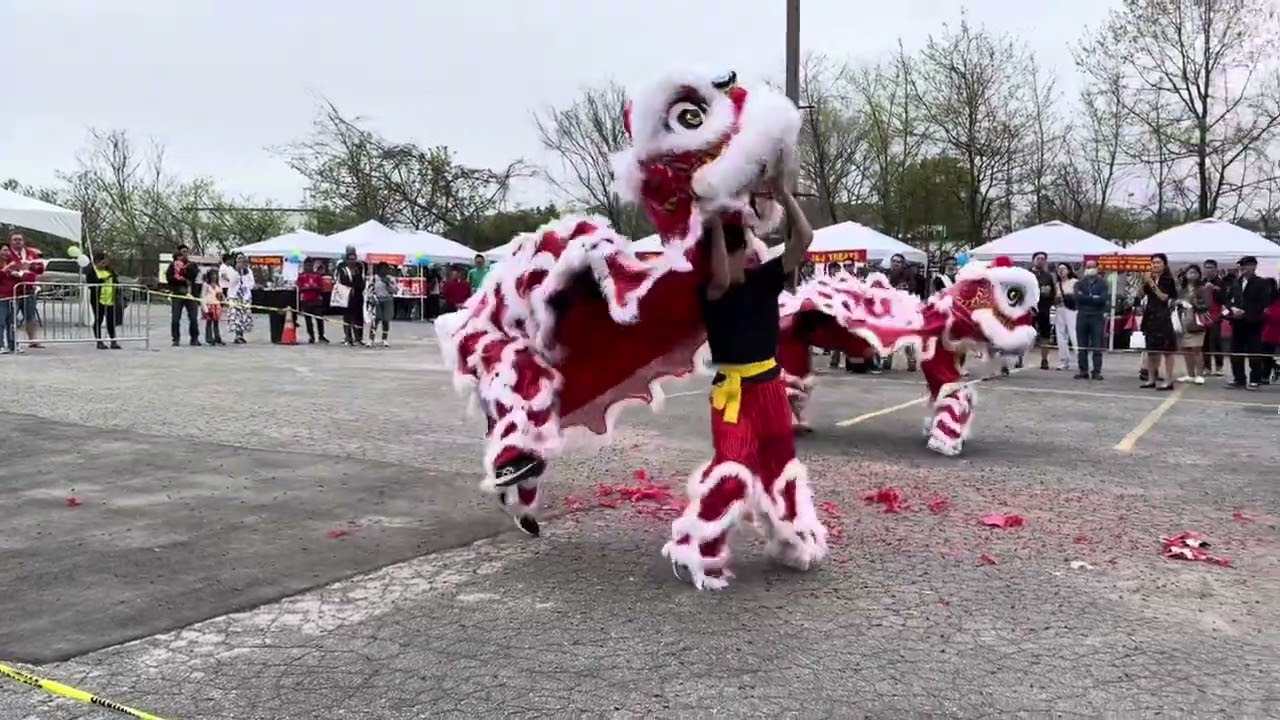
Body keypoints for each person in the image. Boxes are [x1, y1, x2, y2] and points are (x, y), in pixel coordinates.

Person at [663, 180, 826, 591]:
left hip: (770, 388)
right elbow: (718, 270)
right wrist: (716, 221)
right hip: (734, 395)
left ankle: (789, 538)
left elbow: (804, 239)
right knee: (732, 472)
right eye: (741, 251)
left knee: (781, 465)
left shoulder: (764, 279)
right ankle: (694, 545)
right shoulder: (713, 292)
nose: (746, 257)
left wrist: (785, 195)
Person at [1223, 255, 1272, 390]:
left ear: (1254, 266)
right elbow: (1228, 299)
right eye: (1241, 265)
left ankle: (1255, 380)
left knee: (1254, 352)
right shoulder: (1236, 282)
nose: (1243, 268)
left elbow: (1264, 303)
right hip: (1237, 322)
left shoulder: (1261, 283)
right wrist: (1232, 309)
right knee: (1235, 352)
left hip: (1253, 323)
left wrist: (1245, 312)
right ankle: (1239, 379)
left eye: (1246, 265)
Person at [1139, 253, 1178, 390]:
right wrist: (1145, 282)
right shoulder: (1150, 278)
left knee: (1167, 350)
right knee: (1151, 350)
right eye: (1153, 262)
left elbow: (1163, 297)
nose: (1155, 265)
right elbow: (1143, 295)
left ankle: (1168, 379)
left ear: (1164, 264)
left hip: (1163, 316)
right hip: (1150, 315)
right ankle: (1151, 378)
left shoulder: (1168, 280)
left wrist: (1151, 282)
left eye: (1158, 262)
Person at [1, 231, 46, 350]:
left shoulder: (31, 253)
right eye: (15, 239)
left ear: (23, 241)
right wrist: (17, 268)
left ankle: (33, 340)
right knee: (9, 319)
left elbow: (40, 268)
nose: (17, 241)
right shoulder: (6, 253)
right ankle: (8, 343)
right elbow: (5, 269)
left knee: (30, 316)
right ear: (10, 241)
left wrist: (30, 266)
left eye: (20, 239)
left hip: (29, 289)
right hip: (13, 291)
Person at [1174, 264, 1212, 384]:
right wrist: (1179, 303)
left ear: (1199, 275)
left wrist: (1192, 302)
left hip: (1196, 320)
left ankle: (1200, 374)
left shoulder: (1202, 289)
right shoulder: (1182, 289)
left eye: (1194, 272)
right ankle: (1190, 374)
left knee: (1196, 348)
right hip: (1183, 320)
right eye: (1189, 272)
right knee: (1186, 348)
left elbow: (1206, 305)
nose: (1192, 275)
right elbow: (1175, 302)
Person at [1073, 258, 1108, 380]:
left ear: (1097, 268)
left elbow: (1103, 299)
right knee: (1082, 345)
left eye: (1092, 266)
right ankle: (1083, 370)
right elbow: (1077, 298)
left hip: (1097, 316)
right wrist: (1093, 298)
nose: (1090, 269)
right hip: (1082, 315)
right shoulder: (1079, 283)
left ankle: (1096, 371)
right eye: (1088, 267)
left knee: (1097, 345)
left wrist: (1086, 297)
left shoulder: (1103, 283)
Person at [83, 252, 123, 350]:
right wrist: (102, 280)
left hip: (110, 299)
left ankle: (113, 341)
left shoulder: (110, 271)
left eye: (106, 261)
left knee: (111, 321)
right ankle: (99, 341)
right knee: (98, 320)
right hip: (98, 300)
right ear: (97, 262)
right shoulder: (92, 271)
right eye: (102, 261)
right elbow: (90, 284)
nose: (104, 263)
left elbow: (116, 282)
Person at [166, 244, 201, 346]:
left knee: (193, 318)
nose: (184, 254)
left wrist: (186, 270)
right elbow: (170, 278)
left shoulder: (191, 265)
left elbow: (194, 275)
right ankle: (175, 339)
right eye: (182, 252)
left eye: (186, 252)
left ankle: (194, 338)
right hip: (178, 294)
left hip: (190, 294)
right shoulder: (172, 266)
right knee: (176, 318)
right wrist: (179, 278)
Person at [1200, 259, 1227, 376]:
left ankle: (1219, 366)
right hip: (1203, 315)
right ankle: (1206, 367)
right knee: (1204, 342)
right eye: (1206, 267)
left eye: (1211, 267)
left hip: (1216, 316)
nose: (1208, 270)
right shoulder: (1201, 281)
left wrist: (1214, 289)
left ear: (1216, 269)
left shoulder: (1221, 282)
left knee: (1216, 342)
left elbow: (1223, 299)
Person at [336, 245, 366, 346]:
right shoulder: (342, 266)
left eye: (354, 257)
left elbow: (362, 280)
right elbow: (339, 279)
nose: (352, 260)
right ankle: (348, 337)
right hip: (346, 295)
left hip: (357, 295)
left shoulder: (360, 265)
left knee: (358, 317)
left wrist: (358, 287)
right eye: (350, 257)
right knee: (347, 317)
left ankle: (359, 337)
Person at [1030, 251, 1056, 369]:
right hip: (1028, 310)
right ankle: (1019, 359)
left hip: (1043, 309)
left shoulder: (1048, 276)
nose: (1040, 261)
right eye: (1038, 258)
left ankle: (1044, 360)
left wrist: (1048, 293)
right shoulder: (1026, 274)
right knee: (1024, 335)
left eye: (1042, 259)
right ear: (1033, 260)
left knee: (1045, 336)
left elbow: (1053, 293)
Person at [1052, 263, 1078, 371]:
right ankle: (1064, 360)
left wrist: (1069, 297)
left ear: (1069, 270)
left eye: (1063, 269)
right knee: (1060, 335)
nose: (1061, 271)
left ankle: (1080, 359)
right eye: (1059, 269)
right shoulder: (1057, 284)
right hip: (1060, 309)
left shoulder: (1074, 282)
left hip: (1071, 310)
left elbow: (1079, 296)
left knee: (1074, 334)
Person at [296, 259, 329, 343]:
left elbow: (322, 288)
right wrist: (307, 287)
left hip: (316, 300)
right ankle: (311, 336)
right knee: (308, 320)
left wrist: (313, 287)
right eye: (307, 265)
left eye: (310, 265)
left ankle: (321, 335)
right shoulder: (301, 276)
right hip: (305, 300)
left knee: (319, 319)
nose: (308, 267)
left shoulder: (317, 276)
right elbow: (299, 287)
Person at [225, 253, 255, 344]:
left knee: (244, 316)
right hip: (234, 296)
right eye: (239, 258)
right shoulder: (231, 270)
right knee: (236, 315)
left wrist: (246, 284)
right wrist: (238, 271)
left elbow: (252, 283)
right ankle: (237, 335)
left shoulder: (248, 271)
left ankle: (241, 334)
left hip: (245, 296)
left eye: (242, 258)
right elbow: (232, 282)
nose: (241, 260)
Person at [370, 262, 398, 347]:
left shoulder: (391, 279)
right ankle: (371, 339)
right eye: (382, 269)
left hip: (387, 300)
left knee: (386, 320)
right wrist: (372, 298)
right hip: (377, 300)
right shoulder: (374, 278)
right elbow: (369, 290)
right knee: (375, 320)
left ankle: (384, 339)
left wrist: (388, 283)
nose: (384, 271)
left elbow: (395, 291)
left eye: (386, 269)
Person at [200, 268, 225, 346]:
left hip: (216, 305)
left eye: (215, 275)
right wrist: (204, 307)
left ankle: (217, 338)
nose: (214, 277)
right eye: (212, 275)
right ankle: (209, 338)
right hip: (209, 305)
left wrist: (223, 300)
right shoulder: (206, 285)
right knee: (209, 322)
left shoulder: (218, 285)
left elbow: (221, 295)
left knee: (216, 322)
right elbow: (203, 296)